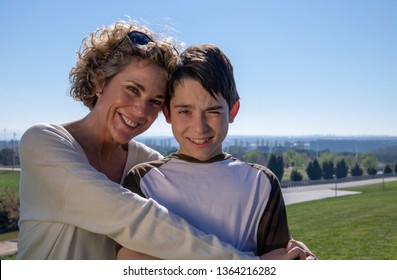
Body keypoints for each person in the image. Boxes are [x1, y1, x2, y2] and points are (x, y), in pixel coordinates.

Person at [17, 20, 271, 260]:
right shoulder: (43, 143)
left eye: (155, 101)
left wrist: (285, 248)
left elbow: (186, 231)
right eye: (132, 89)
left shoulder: (148, 163)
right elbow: (134, 218)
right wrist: (249, 264)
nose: (140, 111)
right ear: (99, 81)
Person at [118, 44, 316, 260]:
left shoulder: (261, 183)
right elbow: (130, 261)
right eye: (185, 111)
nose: (199, 127)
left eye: (212, 111)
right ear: (167, 113)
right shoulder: (144, 181)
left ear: (232, 111)